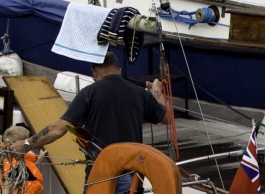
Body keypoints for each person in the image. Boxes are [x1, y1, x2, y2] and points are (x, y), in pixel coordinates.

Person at [25, 54, 166, 162]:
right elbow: (167, 118)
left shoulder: (88, 93)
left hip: (100, 172)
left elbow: (58, 129)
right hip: (131, 173)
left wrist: (26, 144)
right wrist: (157, 90)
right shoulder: (139, 93)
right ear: (119, 70)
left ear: (94, 72)